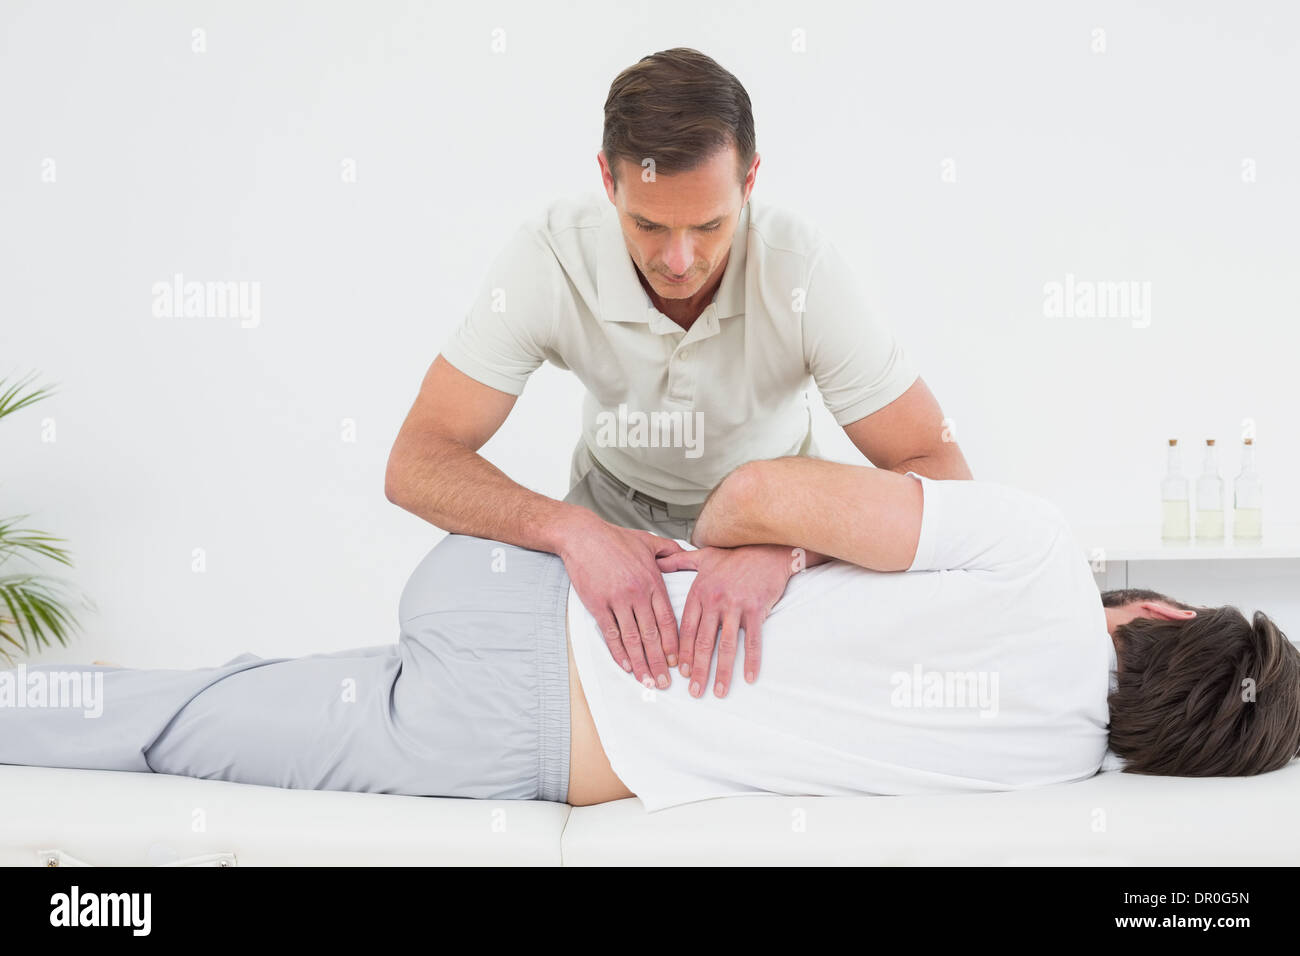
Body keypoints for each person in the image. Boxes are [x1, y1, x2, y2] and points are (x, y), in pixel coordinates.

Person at [3, 459, 1296, 811]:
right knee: (185, 729)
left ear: (1168, 612)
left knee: (195, 699)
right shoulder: (1046, 774)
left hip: (523, 599)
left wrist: (779, 549)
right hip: (509, 748)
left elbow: (747, 497)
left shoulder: (1032, 552)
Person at [384, 47, 973, 699]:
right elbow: (417, 460)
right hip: (610, 521)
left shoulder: (801, 268)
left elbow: (941, 471)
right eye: (647, 224)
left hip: (783, 535)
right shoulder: (548, 256)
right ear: (608, 181)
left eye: (710, 225)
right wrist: (570, 530)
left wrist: (789, 550)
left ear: (749, 184)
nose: (678, 259)